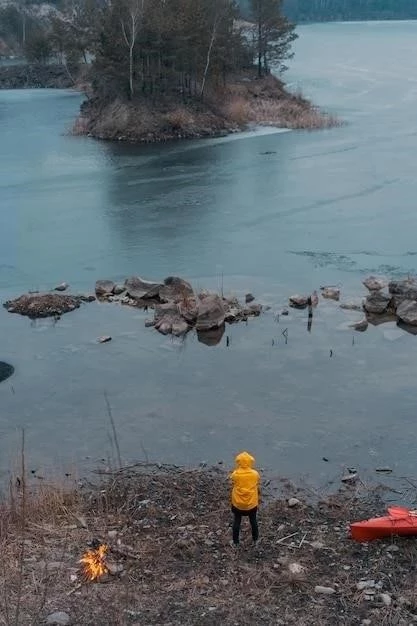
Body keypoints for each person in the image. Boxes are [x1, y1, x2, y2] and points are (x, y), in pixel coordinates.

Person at [230, 451, 260, 547]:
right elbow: (257, 479)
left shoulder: (236, 474)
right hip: (251, 504)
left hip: (238, 504)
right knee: (253, 521)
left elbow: (232, 478)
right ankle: (255, 540)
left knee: (237, 522)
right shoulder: (255, 474)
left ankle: (235, 542)